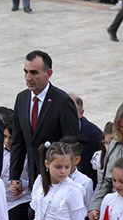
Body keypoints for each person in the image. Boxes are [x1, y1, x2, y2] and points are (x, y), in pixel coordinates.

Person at [8, 50, 79, 197]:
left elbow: (71, 140)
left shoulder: (62, 101)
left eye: (34, 73)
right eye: (26, 72)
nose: (28, 78)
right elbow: (18, 140)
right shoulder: (22, 99)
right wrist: (15, 176)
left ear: (49, 73)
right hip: (33, 173)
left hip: (56, 175)